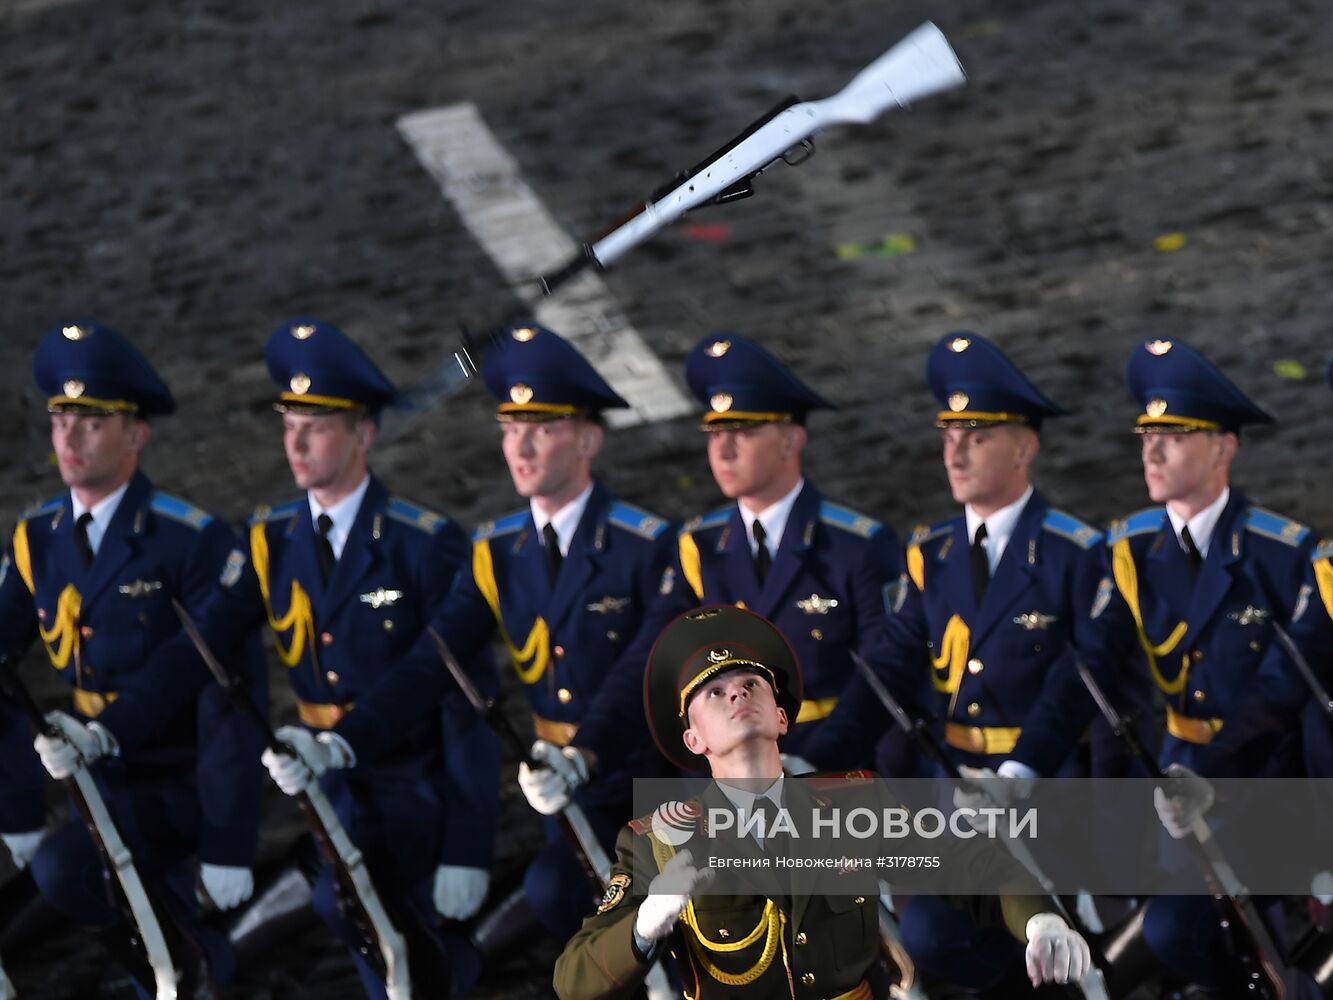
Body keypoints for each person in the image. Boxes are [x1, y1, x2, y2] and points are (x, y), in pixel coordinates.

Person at [43, 318, 498, 998]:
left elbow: (456, 692)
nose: (296, 442)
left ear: (364, 433)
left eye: (315, 425)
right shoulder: (271, 540)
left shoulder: (424, 544)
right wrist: (110, 730)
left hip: (412, 784)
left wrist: (467, 843)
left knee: (360, 913)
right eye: (290, 424)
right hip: (324, 788)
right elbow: (195, 650)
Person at [264, 324, 676, 952]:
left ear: (589, 440)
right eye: (511, 430)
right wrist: (341, 746)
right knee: (565, 902)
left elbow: (647, 668)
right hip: (564, 796)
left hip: (653, 787)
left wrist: (585, 752)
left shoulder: (647, 546)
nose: (522, 447)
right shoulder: (498, 551)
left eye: (542, 429)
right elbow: (430, 662)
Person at [783, 331, 1133, 993]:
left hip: (1048, 791)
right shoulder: (932, 553)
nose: (955, 450)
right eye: (949, 434)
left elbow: (1081, 677)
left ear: (1024, 447)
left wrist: (1019, 770)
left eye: (976, 435)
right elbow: (886, 666)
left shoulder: (1077, 553)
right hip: (950, 794)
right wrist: (814, 759)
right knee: (928, 934)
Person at [552, 603, 1093, 999]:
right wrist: (646, 923)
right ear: (694, 741)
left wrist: (1040, 921)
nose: (737, 693)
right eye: (714, 694)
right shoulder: (656, 842)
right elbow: (573, 979)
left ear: (782, 717)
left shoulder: (853, 806)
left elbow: (974, 864)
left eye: (751, 684)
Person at [0, 321, 268, 990]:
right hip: (95, 784)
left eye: (90, 422)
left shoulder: (191, 543)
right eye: (61, 419)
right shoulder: (38, 538)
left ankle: (188, 968)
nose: (68, 438)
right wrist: (16, 803)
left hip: (181, 779)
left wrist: (229, 840)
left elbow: (229, 696)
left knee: (66, 872)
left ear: (135, 434)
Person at [559, 331, 906, 793]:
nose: (722, 450)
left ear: (791, 440)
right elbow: (650, 659)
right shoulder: (698, 546)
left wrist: (816, 762)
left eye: (743, 433)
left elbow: (883, 674)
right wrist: (585, 750)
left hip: (828, 771)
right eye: (715, 433)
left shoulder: (857, 546)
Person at [1107, 337, 1318, 996]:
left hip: (1264, 788)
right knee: (1168, 942)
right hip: (1173, 783)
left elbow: (1292, 691)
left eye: (1173, 435)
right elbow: (1107, 676)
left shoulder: (1282, 556)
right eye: (1146, 434)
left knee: (1215, 942)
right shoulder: (1131, 549)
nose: (1151, 449)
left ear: (1224, 448)